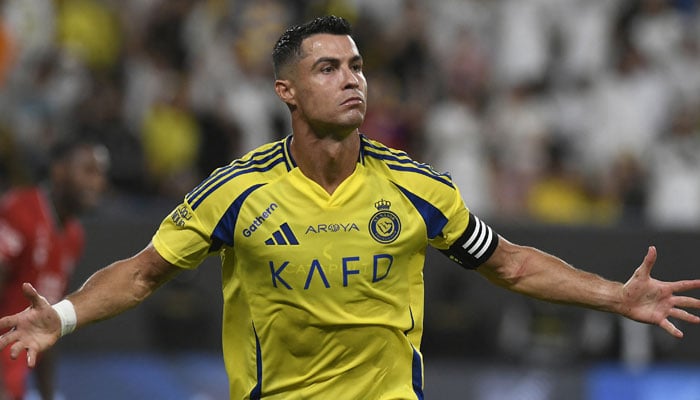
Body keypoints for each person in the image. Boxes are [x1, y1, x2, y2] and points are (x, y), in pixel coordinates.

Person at [1, 15, 700, 400]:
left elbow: (512, 265)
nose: (351, 80)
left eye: (357, 66)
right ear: (287, 91)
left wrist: (617, 296)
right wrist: (62, 317)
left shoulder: (421, 189)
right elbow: (145, 271)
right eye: (328, 68)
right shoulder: (237, 191)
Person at [0, 138, 109, 400]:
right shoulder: (20, 210)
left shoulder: (74, 237)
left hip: (16, 375)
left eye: (101, 175)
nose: (97, 183)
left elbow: (46, 321)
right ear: (58, 171)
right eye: (88, 171)